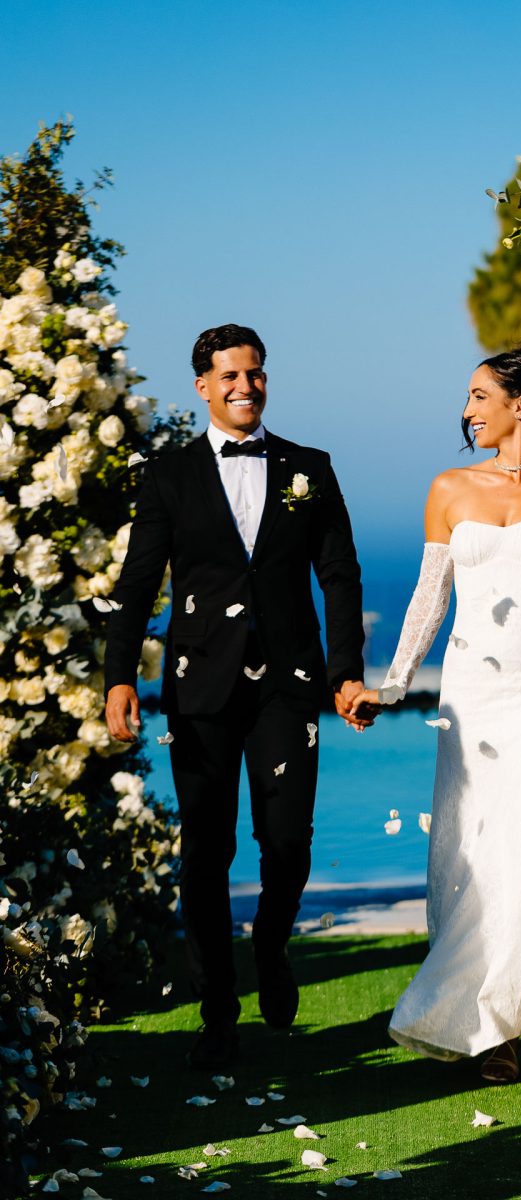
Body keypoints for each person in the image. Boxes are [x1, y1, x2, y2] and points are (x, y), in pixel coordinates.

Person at [350, 226, 521, 1090]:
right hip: (471, 692)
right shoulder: (447, 489)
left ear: (520, 404)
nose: (467, 409)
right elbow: (430, 597)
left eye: (479, 394)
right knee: (473, 854)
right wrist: (392, 684)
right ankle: (487, 1028)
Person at [104, 324, 370, 1069]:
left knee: (286, 843)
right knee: (207, 854)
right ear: (202, 386)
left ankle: (274, 946)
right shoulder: (168, 475)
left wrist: (345, 671)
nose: (244, 386)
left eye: (254, 374)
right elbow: (136, 587)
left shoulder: (309, 467)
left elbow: (340, 573)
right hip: (200, 690)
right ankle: (217, 1008)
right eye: (229, 376)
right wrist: (119, 675)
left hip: (289, 683)